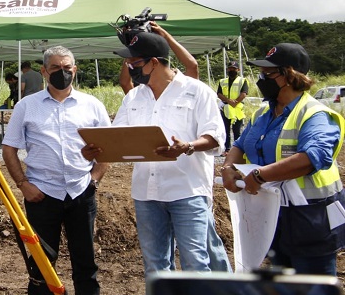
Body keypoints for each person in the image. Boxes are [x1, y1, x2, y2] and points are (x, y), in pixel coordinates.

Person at [110, 32, 226, 286]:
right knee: (155, 267)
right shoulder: (133, 97)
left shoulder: (197, 92)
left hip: (187, 191)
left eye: (135, 64)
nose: (130, 69)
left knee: (195, 263)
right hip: (146, 194)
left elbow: (215, 138)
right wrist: (99, 149)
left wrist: (188, 147)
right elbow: (118, 136)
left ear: (154, 62)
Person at [221, 43, 345, 276]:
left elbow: (310, 158)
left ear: (289, 75)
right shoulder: (263, 113)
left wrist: (259, 175)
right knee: (283, 285)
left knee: (313, 287)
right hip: (271, 214)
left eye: (268, 74)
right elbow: (239, 144)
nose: (261, 78)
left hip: (311, 219)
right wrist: (228, 167)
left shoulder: (315, 115)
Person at [2, 45, 111, 295]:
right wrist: (23, 184)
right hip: (42, 195)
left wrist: (94, 179)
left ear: (75, 70)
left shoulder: (92, 105)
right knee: (41, 265)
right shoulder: (27, 106)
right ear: (43, 71)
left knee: (85, 263)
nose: (62, 72)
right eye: (55, 68)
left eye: (66, 68)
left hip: (81, 192)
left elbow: (108, 147)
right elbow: (9, 149)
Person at [217, 60, 249, 155]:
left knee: (237, 131)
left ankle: (237, 150)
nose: (232, 70)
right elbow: (219, 93)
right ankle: (227, 149)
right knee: (225, 130)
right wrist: (228, 100)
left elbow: (244, 93)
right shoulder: (222, 81)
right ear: (227, 69)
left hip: (237, 109)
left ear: (238, 70)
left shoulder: (242, 81)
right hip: (226, 108)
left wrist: (235, 102)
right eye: (230, 68)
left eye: (234, 69)